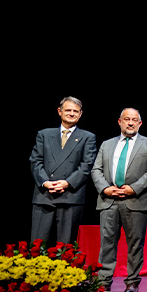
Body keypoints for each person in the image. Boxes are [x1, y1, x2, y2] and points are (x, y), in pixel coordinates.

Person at [91, 108, 147, 292]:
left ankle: (132, 282)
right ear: (119, 122)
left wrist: (134, 188)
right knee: (107, 242)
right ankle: (103, 281)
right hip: (109, 199)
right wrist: (105, 188)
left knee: (135, 243)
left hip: (135, 199)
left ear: (140, 123)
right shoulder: (107, 144)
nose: (130, 123)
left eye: (134, 120)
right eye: (127, 119)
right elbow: (96, 169)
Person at [30, 96, 97, 246]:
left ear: (80, 114)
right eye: (68, 110)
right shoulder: (44, 134)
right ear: (59, 111)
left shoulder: (88, 137)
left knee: (66, 248)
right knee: (37, 246)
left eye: (75, 111)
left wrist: (67, 183)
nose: (71, 113)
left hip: (71, 196)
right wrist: (45, 182)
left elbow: (87, 165)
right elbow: (35, 161)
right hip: (44, 195)